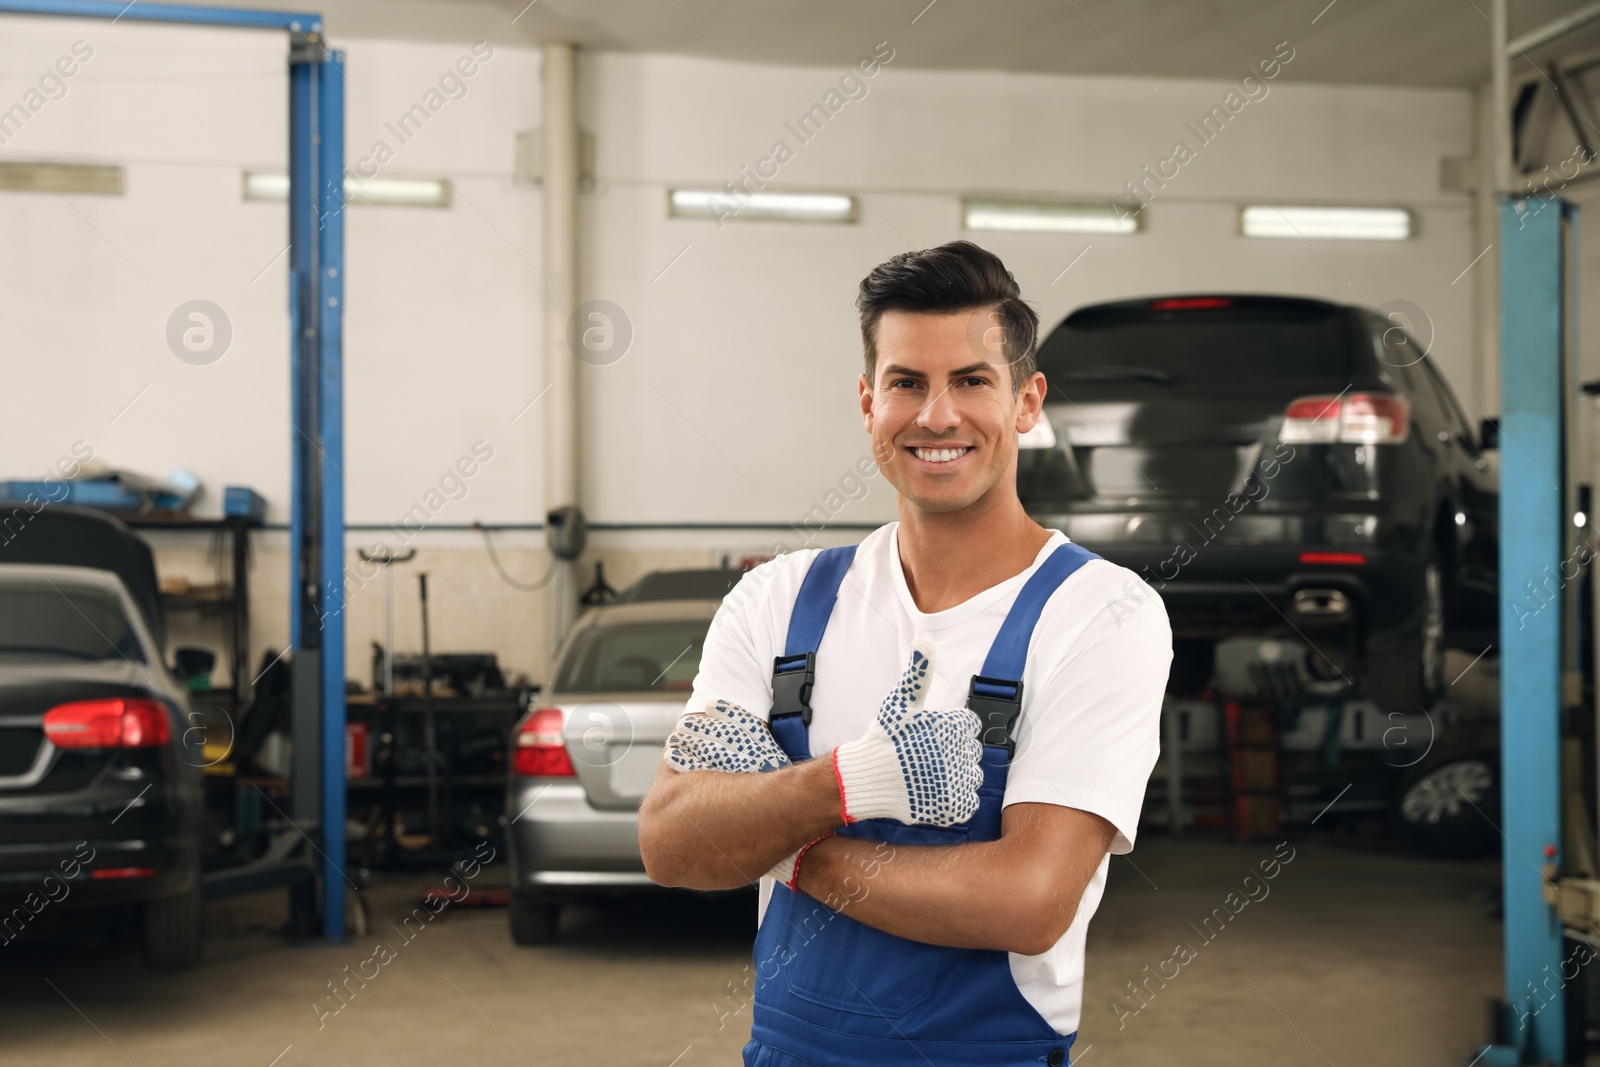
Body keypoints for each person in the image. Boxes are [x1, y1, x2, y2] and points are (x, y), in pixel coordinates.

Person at [638, 240, 1173, 1067]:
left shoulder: (1102, 615)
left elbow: (1029, 900)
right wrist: (849, 781)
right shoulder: (776, 601)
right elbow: (673, 842)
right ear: (867, 401)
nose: (937, 416)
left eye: (971, 380)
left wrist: (781, 839)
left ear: (1027, 402)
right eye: (906, 383)